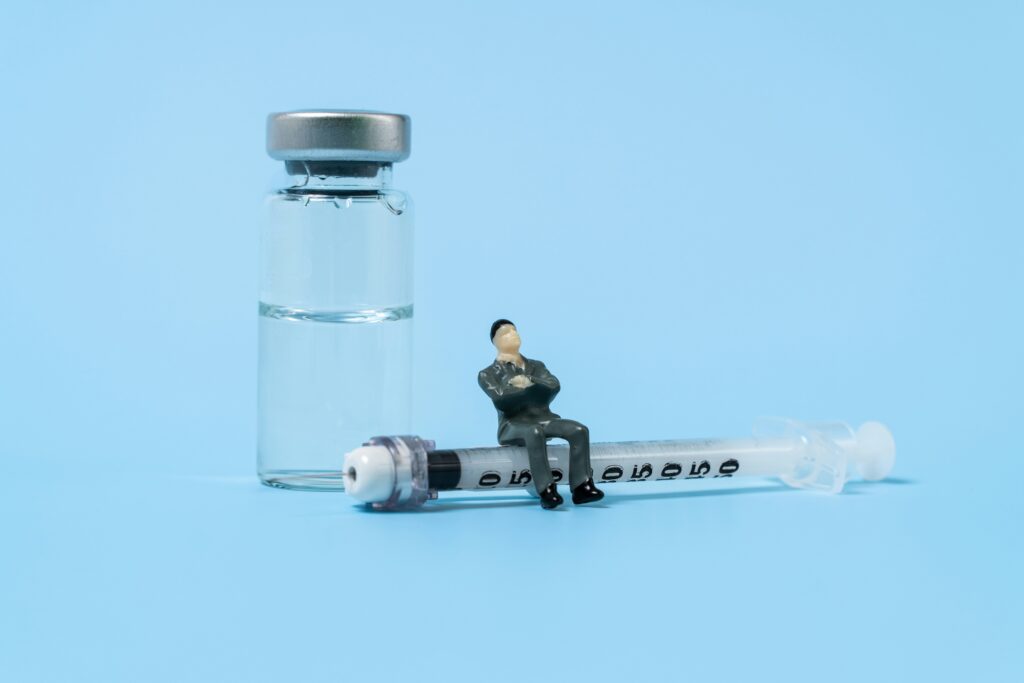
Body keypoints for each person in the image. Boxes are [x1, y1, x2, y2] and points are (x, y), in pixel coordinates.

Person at [477, 319, 605, 509]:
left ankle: (582, 486)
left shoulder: (536, 366)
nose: (513, 335)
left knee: (578, 430)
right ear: (495, 342)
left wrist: (528, 381)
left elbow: (553, 386)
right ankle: (546, 490)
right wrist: (530, 389)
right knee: (534, 431)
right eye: (506, 333)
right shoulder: (487, 374)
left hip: (543, 418)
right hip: (512, 425)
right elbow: (501, 399)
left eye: (514, 330)